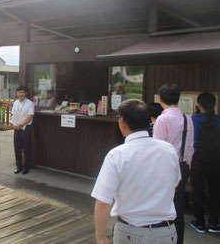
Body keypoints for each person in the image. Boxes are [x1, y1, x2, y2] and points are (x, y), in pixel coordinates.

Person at [92, 99, 180, 244]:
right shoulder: (168, 150)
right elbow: (175, 182)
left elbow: (103, 201)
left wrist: (100, 238)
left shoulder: (117, 155)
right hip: (167, 232)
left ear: (122, 122)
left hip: (130, 233)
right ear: (149, 121)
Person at [153, 83, 194, 244]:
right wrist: (187, 168)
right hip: (182, 167)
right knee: (178, 207)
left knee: (163, 206)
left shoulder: (163, 119)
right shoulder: (187, 118)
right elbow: (190, 147)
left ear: (160, 98)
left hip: (166, 167)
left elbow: (157, 148)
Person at [190, 92, 220, 233]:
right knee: (215, 191)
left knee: (198, 191)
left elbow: (192, 142)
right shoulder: (218, 120)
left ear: (199, 104)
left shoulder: (193, 120)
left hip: (198, 160)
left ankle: (199, 222)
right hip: (216, 160)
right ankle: (214, 223)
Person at [11, 86, 34, 175]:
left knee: (26, 147)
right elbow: (13, 115)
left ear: (25, 93)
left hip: (26, 128)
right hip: (16, 128)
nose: (20, 94)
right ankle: (18, 166)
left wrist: (21, 125)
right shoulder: (15, 103)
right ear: (16, 94)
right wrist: (14, 124)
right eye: (18, 92)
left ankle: (26, 167)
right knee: (17, 148)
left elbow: (30, 116)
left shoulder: (30, 103)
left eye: (22, 92)